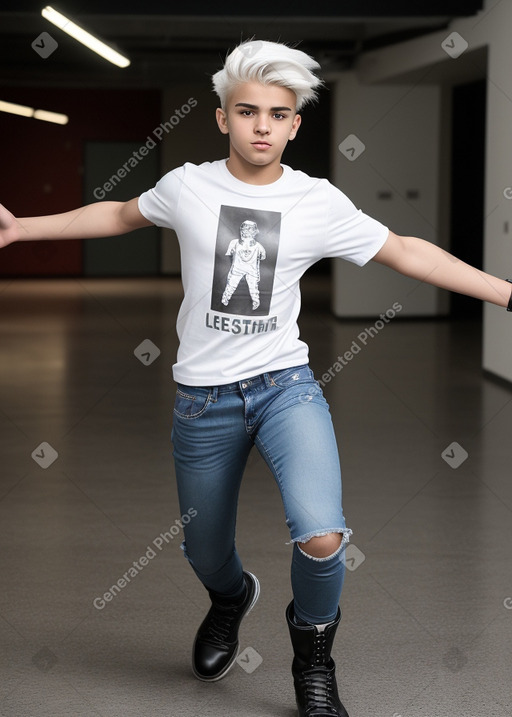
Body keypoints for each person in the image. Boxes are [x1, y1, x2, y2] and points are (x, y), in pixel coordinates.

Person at [1, 39, 511, 717]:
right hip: (201, 402)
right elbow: (120, 214)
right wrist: (19, 229)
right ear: (223, 118)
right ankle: (230, 596)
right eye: (247, 111)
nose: (262, 124)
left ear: (296, 123)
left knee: (323, 533)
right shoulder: (186, 186)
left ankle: (315, 660)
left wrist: (506, 292)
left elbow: (405, 250)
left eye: (278, 112)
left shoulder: (317, 201)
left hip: (284, 389)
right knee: (204, 548)